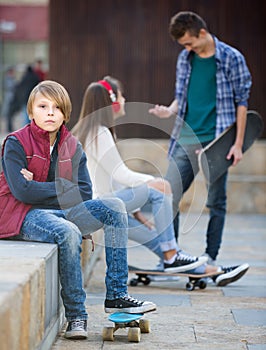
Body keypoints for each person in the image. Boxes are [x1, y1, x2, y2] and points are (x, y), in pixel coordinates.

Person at [0, 80, 156, 340]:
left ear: (65, 114)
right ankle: (76, 316)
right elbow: (21, 192)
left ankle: (117, 296)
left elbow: (83, 193)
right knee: (68, 231)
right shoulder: (15, 143)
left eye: (57, 108)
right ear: (31, 112)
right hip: (22, 216)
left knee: (115, 207)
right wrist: (63, 188)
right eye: (43, 106)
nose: (50, 113)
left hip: (57, 211)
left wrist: (43, 187)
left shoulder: (73, 146)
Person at [73, 75, 249, 286]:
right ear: (113, 101)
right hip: (100, 207)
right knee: (160, 191)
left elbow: (111, 180)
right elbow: (121, 174)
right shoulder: (99, 133)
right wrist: (154, 181)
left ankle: (213, 271)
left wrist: (136, 211)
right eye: (122, 95)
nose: (125, 99)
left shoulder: (95, 132)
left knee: (158, 240)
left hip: (106, 207)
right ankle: (174, 256)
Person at [149, 11, 252, 267]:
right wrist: (169, 110)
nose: (186, 48)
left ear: (202, 33)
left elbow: (242, 103)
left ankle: (210, 256)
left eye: (189, 42)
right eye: (183, 45)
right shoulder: (185, 59)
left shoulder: (231, 58)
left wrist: (238, 144)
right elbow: (181, 97)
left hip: (216, 141)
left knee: (216, 200)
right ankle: (170, 256)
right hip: (185, 138)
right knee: (167, 195)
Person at [1, 66, 17, 132]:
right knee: (8, 114)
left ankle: (10, 128)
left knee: (10, 115)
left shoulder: (12, 79)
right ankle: (8, 128)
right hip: (9, 99)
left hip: (12, 99)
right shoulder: (7, 79)